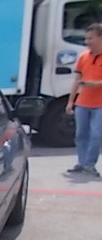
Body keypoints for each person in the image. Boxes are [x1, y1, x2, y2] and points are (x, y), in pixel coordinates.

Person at [65, 23, 102, 177]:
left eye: (90, 38)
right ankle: (81, 162)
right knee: (80, 134)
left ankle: (89, 164)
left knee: (96, 135)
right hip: (83, 102)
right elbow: (77, 80)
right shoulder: (83, 57)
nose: (87, 42)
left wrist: (96, 84)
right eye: (86, 39)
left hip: (100, 104)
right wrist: (70, 102)